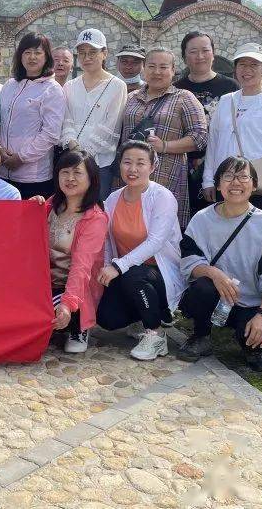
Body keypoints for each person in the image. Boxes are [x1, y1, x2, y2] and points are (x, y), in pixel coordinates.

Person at [178, 156, 262, 371]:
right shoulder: (201, 219)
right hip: (216, 296)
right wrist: (213, 273)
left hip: (251, 302)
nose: (236, 183)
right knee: (202, 286)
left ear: (254, 185)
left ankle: (251, 334)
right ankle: (201, 335)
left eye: (243, 177)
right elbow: (189, 261)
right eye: (228, 176)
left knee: (257, 347)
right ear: (218, 184)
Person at [96, 141, 184, 360]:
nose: (132, 169)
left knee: (135, 275)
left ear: (152, 166)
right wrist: (108, 266)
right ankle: (140, 317)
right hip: (126, 272)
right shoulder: (113, 198)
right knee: (107, 319)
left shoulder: (162, 197)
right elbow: (107, 240)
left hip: (158, 274)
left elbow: (156, 241)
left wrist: (118, 266)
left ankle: (155, 334)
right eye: (127, 162)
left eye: (140, 163)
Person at [30, 148, 107, 354]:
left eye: (77, 173)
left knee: (39, 320)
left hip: (74, 286)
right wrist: (29, 211)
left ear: (91, 178)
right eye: (64, 172)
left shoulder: (94, 219)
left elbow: (81, 268)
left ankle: (79, 324)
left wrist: (67, 304)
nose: (70, 178)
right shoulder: (50, 205)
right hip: (44, 282)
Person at [121, 47, 207, 228]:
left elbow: (200, 137)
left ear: (173, 70)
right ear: (144, 68)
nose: (157, 72)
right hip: (128, 177)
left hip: (166, 178)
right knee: (126, 227)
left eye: (163, 67)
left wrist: (165, 146)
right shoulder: (130, 97)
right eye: (151, 66)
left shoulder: (184, 98)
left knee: (161, 232)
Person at [203, 43, 262, 217]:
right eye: (242, 64)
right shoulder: (226, 101)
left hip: (256, 184)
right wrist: (208, 179)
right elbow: (213, 141)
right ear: (235, 69)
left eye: (254, 65)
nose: (247, 70)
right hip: (226, 182)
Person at [0, 32, 66, 199]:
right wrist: (0, 151)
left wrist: (21, 157)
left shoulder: (52, 89)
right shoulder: (10, 85)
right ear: (20, 56)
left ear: (47, 57)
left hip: (34, 177)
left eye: (38, 52)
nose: (32, 57)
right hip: (3, 170)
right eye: (27, 52)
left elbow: (50, 134)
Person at [176, 31, 239, 218]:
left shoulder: (232, 88)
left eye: (205, 50)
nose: (200, 56)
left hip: (221, 164)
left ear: (213, 53)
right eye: (193, 51)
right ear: (184, 57)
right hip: (183, 166)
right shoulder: (176, 89)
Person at [61, 29, 127, 197]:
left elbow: (111, 125)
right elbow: (66, 119)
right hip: (71, 162)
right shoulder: (70, 86)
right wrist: (73, 146)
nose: (87, 57)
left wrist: (84, 155)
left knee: (96, 210)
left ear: (104, 53)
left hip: (100, 164)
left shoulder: (117, 86)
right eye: (82, 53)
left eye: (92, 52)